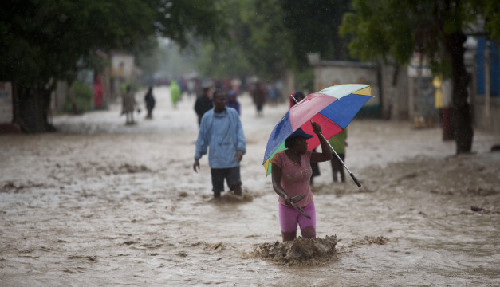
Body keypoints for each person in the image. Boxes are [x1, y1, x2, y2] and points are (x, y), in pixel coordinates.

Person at [271, 123, 332, 242]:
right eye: (304, 141)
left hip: (307, 203)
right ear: (295, 143)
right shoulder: (278, 159)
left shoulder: (307, 155)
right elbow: (276, 184)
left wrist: (319, 134)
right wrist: (285, 196)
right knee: (288, 242)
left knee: (310, 239)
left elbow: (327, 156)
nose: (307, 143)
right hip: (287, 206)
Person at [193, 91, 246, 198]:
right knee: (217, 191)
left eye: (224, 99)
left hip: (232, 158)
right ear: (214, 101)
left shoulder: (233, 114)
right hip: (216, 160)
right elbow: (202, 138)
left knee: (237, 187)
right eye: (220, 99)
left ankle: (237, 210)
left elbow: (239, 132)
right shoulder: (207, 117)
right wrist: (197, 157)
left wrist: (240, 149)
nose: (223, 102)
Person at [290, 91, 321, 186]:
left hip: (310, 140)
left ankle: (310, 182)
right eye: (297, 98)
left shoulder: (310, 112)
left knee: (311, 160)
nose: (299, 100)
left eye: (301, 98)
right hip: (297, 143)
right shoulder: (291, 113)